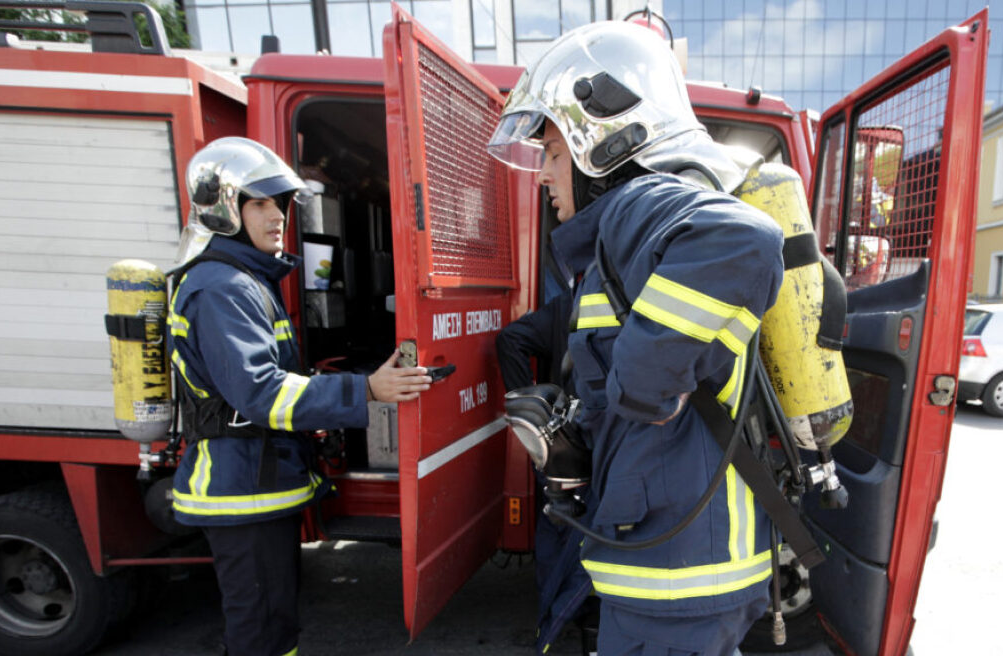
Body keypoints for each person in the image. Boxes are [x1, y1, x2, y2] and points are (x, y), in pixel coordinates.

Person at [487, 22, 785, 656]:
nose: (542, 173)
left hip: (677, 583)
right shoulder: (616, 242)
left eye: (552, 152)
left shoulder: (637, 203)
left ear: (602, 139)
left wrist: (640, 388)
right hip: (677, 571)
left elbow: (743, 240)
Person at [167, 137, 431, 656]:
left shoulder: (242, 279)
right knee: (261, 632)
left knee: (271, 624)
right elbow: (261, 394)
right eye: (260, 203)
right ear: (224, 211)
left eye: (280, 204)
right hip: (241, 489)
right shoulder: (223, 287)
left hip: (253, 483)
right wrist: (366, 390)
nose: (277, 216)